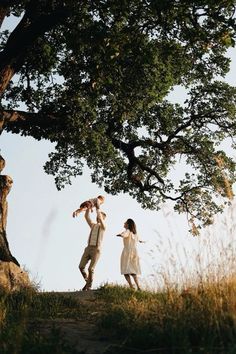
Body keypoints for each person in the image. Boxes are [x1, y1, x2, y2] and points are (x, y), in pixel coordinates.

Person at [78, 207, 107, 291]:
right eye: (97, 216)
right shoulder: (93, 225)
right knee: (81, 266)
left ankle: (89, 286)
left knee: (91, 269)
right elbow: (87, 217)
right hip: (88, 248)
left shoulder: (103, 226)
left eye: (100, 216)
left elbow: (101, 220)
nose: (98, 217)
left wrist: (98, 211)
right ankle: (88, 282)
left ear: (103, 218)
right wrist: (88, 208)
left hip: (96, 250)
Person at [117, 218, 143, 290]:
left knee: (126, 271)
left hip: (127, 252)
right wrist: (141, 241)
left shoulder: (127, 231)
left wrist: (121, 235)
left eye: (125, 223)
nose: (124, 223)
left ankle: (131, 286)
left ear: (128, 225)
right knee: (133, 271)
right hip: (134, 252)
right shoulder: (135, 234)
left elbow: (125, 234)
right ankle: (138, 286)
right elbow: (138, 239)